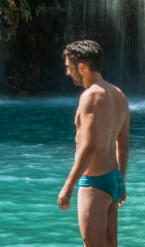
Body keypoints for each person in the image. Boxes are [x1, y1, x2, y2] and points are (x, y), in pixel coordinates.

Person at [57, 40, 130, 247]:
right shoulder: (118, 94)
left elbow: (88, 147)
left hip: (94, 183)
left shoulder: (91, 96)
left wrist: (68, 186)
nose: (68, 73)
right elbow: (123, 144)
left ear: (83, 67)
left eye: (70, 68)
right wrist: (121, 181)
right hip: (113, 179)